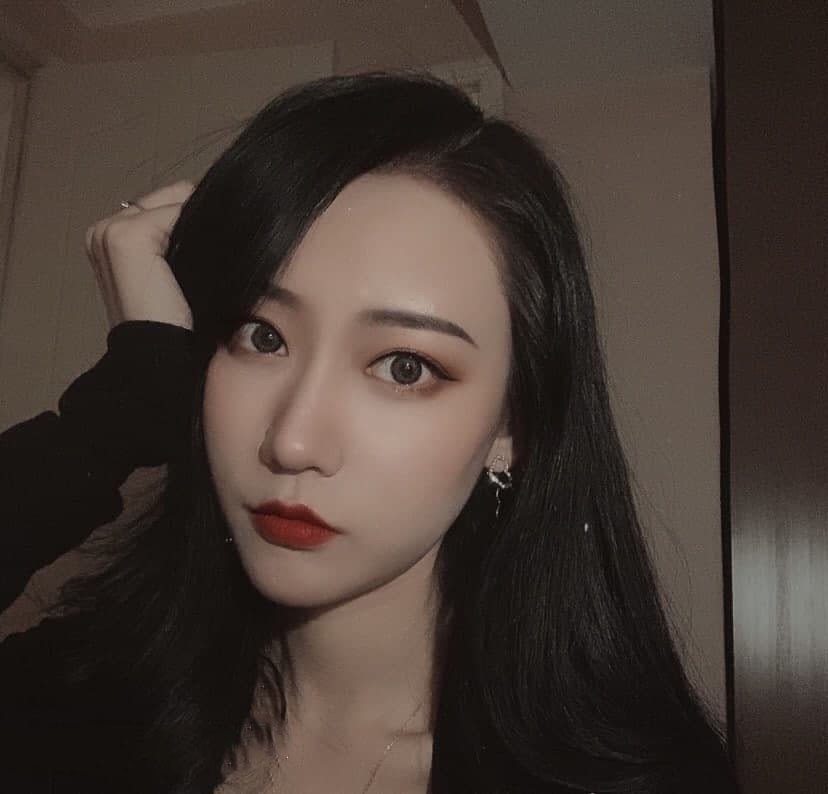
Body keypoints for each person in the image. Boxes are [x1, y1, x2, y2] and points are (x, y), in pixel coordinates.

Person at [0, 72, 740, 793]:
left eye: (405, 368)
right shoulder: (71, 708)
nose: (293, 443)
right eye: (262, 336)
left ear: (512, 426)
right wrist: (112, 416)